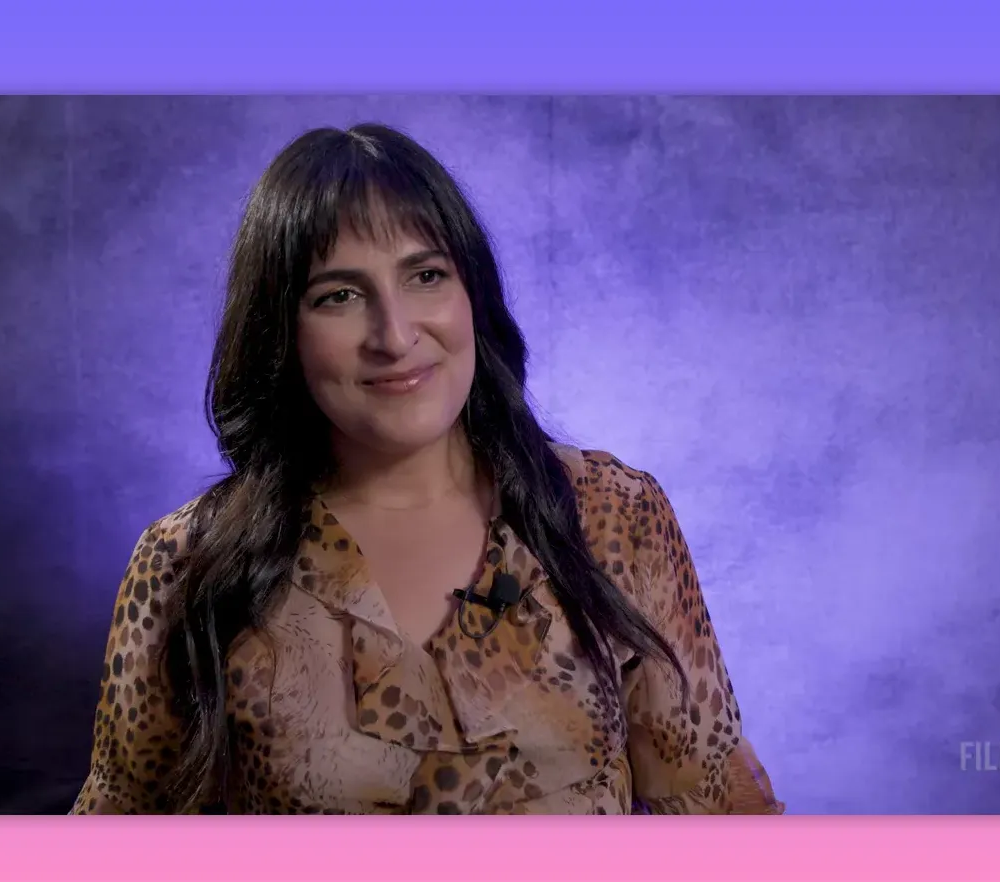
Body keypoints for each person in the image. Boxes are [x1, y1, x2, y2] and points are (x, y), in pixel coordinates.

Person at [71, 123, 782, 815]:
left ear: (472, 292)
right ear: (280, 332)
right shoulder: (186, 564)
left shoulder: (612, 514)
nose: (396, 335)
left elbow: (717, 811)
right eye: (338, 296)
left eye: (426, 275)